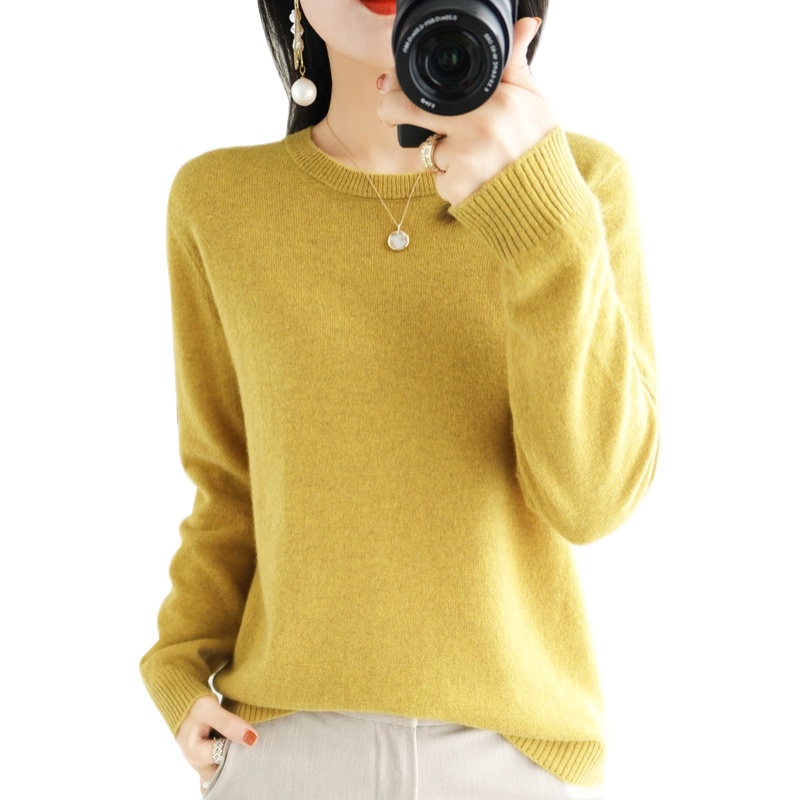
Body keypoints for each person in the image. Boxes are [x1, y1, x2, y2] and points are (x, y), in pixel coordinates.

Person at [140, 0, 659, 797]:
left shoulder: (581, 186)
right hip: (283, 749)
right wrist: (179, 667)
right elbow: (230, 483)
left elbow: (593, 501)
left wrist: (542, 219)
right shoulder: (219, 201)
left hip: (514, 759)